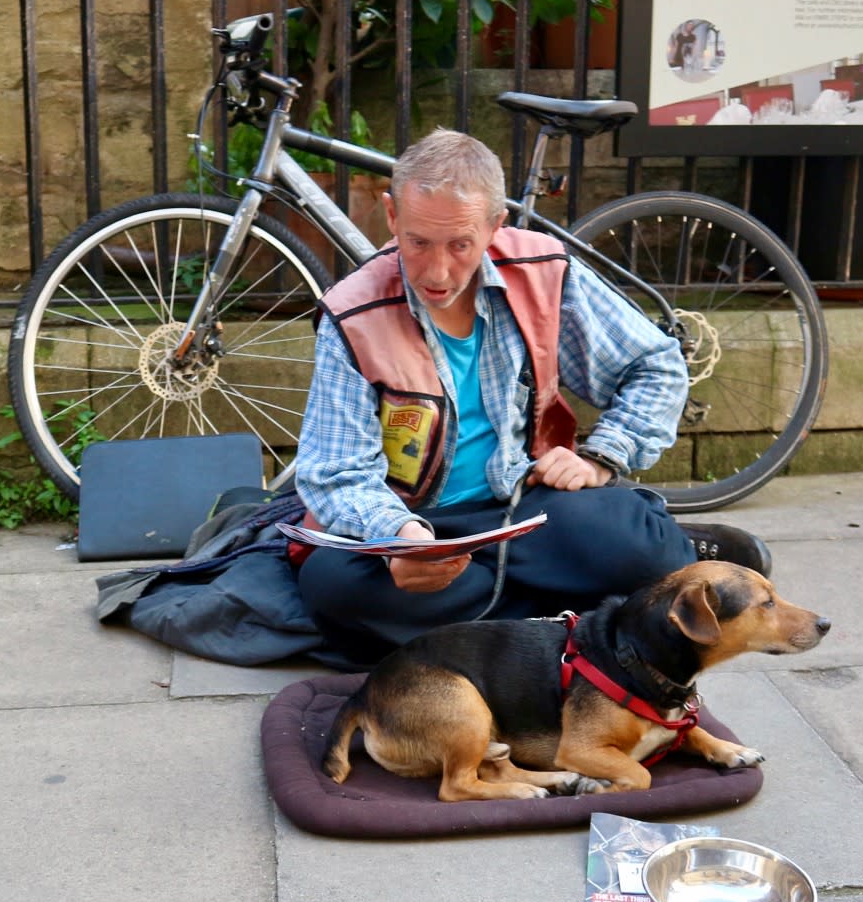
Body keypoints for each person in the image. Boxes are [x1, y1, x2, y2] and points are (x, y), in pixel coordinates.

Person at [293, 128, 770, 669]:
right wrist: (399, 536)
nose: (438, 270)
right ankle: (572, 610)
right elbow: (334, 472)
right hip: (416, 526)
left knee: (642, 548)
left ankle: (498, 616)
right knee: (334, 589)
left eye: (460, 244)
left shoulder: (543, 270)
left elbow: (656, 365)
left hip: (528, 511)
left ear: (496, 225)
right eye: (418, 241)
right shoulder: (352, 312)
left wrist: (600, 456)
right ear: (392, 216)